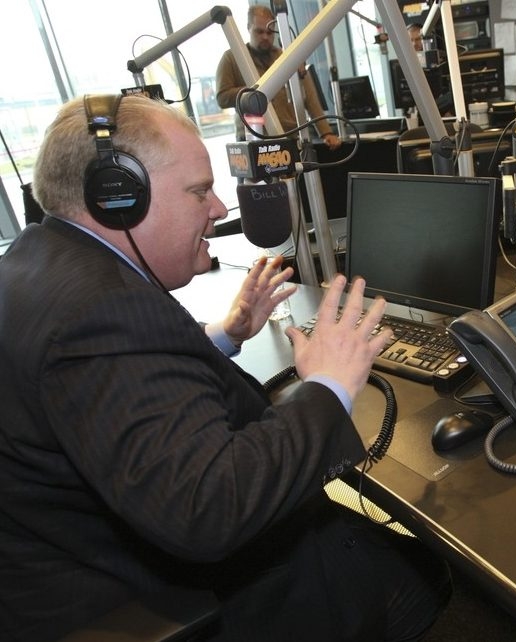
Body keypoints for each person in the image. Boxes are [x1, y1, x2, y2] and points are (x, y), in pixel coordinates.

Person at [0, 93, 451, 641]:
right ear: (120, 198)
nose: (217, 208)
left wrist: (223, 335)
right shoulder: (103, 314)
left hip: (69, 568)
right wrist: (329, 384)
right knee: (427, 573)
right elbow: (210, 508)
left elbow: (109, 388)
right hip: (182, 598)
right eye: (198, 191)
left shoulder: (34, 266)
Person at [216, 4, 341, 149]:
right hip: (253, 137)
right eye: (259, 32)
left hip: (288, 134)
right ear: (248, 27)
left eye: (269, 33)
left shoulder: (285, 57)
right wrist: (254, 93)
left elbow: (310, 97)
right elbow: (222, 98)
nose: (265, 37)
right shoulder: (232, 58)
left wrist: (325, 132)